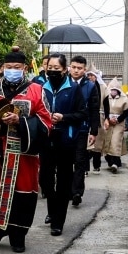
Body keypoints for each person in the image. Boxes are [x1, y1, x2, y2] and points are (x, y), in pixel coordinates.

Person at [0, 46, 52, 252]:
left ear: (25, 68)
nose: (12, 70)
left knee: (22, 193)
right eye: (9, 67)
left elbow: (46, 121)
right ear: (2, 68)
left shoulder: (36, 90)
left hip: (22, 155)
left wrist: (20, 120)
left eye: (17, 67)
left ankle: (18, 235)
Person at [40, 54, 86, 235]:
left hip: (66, 140)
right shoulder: (40, 87)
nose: (52, 71)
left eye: (56, 69)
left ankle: (58, 221)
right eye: (49, 68)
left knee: (64, 181)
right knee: (45, 179)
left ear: (64, 70)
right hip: (46, 139)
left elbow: (82, 114)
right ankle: (52, 210)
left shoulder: (73, 89)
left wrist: (64, 118)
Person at [68, 55, 100, 205]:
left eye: (79, 68)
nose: (76, 70)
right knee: (66, 161)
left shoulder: (91, 86)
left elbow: (94, 109)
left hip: (82, 129)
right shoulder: (64, 83)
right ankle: (67, 190)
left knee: (80, 161)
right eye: (73, 67)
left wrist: (94, 131)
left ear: (84, 70)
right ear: (69, 67)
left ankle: (77, 193)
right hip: (65, 129)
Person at [102, 80, 128, 172]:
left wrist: (118, 119)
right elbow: (105, 110)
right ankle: (110, 162)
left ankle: (116, 162)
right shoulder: (106, 98)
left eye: (115, 90)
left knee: (115, 140)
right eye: (112, 90)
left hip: (119, 123)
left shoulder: (124, 100)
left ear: (118, 90)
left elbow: (126, 112)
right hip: (108, 122)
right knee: (107, 141)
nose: (113, 92)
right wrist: (108, 118)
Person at [86, 70, 108, 173]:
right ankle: (85, 168)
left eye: (92, 75)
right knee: (86, 144)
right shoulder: (85, 86)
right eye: (89, 75)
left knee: (98, 144)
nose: (90, 77)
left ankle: (96, 165)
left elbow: (106, 104)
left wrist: (107, 118)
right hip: (86, 116)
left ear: (96, 77)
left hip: (100, 117)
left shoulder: (103, 88)